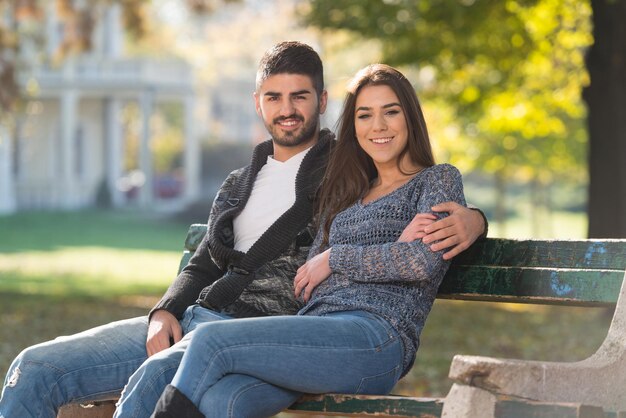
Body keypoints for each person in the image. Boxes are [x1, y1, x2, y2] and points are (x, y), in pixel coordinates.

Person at [0, 43, 484, 418]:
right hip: (230, 323)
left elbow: (416, 242)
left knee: (207, 378)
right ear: (258, 103)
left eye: (300, 96)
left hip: (280, 331)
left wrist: (475, 222)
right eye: (274, 96)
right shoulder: (251, 184)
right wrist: (166, 309)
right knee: (33, 368)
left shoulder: (339, 171)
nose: (288, 108)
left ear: (322, 102)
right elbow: (206, 260)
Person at [149, 63, 467, 418]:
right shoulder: (349, 194)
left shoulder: (437, 180)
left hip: (376, 336)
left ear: (410, 118)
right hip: (314, 330)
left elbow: (420, 262)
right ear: (354, 127)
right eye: (364, 116)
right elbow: (306, 284)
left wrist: (336, 259)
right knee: (224, 401)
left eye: (390, 112)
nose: (378, 126)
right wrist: (391, 251)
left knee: (209, 342)